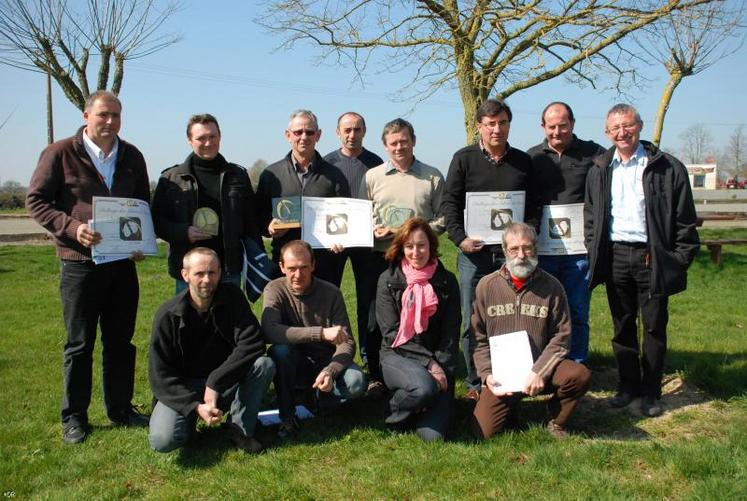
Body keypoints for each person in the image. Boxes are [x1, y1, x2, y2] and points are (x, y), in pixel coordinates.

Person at [26, 90, 150, 444]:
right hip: (79, 264)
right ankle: (75, 417)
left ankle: (121, 409)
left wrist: (139, 243)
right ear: (86, 115)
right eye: (102, 115)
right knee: (80, 344)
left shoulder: (132, 156)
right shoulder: (60, 153)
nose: (109, 122)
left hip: (123, 264)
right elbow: (35, 200)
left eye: (115, 115)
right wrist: (72, 228)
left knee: (120, 341)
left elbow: (142, 204)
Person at [585, 104, 699, 417]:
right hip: (616, 256)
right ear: (607, 132)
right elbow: (592, 216)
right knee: (622, 326)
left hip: (653, 256)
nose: (622, 132)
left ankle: (651, 392)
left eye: (628, 126)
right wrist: (594, 247)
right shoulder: (600, 168)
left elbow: (685, 220)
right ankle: (627, 386)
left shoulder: (667, 167)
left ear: (639, 126)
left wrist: (677, 258)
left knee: (653, 328)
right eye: (615, 128)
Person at [441, 98, 540, 401]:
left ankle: (515, 375)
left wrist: (525, 241)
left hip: (514, 256)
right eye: (490, 124)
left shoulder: (524, 162)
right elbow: (449, 204)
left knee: (515, 316)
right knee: (474, 318)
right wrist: (459, 239)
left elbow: (534, 207)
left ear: (509, 125)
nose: (497, 129)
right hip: (475, 254)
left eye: (503, 123)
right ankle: (475, 383)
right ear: (479, 127)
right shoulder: (463, 159)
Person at [471, 222, 591, 440]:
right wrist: (487, 376)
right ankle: (510, 407)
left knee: (578, 375)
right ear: (505, 251)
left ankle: (555, 419)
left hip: (540, 370)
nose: (521, 255)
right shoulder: (486, 287)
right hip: (503, 376)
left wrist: (539, 371)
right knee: (483, 434)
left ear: (536, 249)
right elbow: (478, 340)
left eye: (527, 248)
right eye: (514, 249)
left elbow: (561, 337)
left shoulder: (553, 287)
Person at [148, 248, 275, 453]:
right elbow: (160, 376)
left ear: (220, 273)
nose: (207, 280)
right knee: (163, 440)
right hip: (185, 387)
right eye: (199, 273)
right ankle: (190, 421)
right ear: (185, 275)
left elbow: (253, 342)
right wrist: (194, 406)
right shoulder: (168, 316)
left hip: (224, 382)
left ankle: (239, 429)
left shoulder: (232, 297)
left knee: (264, 364)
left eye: (212, 273)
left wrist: (215, 381)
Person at [360, 118, 446, 394]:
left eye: (404, 141)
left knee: (424, 314)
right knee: (377, 318)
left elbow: (443, 219)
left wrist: (403, 233)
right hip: (380, 258)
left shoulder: (432, 176)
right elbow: (361, 216)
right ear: (385, 146)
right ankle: (377, 373)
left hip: (420, 261)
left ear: (414, 141)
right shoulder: (372, 177)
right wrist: (371, 228)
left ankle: (425, 365)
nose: (399, 147)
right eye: (393, 143)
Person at [261, 240, 367, 439]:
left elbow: (347, 342)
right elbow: (270, 331)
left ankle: (315, 398)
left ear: (313, 266)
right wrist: (320, 333)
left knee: (356, 382)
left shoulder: (331, 292)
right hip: (294, 362)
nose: (298, 275)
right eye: (292, 268)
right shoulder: (274, 289)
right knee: (280, 351)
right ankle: (287, 416)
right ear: (282, 267)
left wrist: (331, 370)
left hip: (325, 360)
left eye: (303, 267)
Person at [527, 102, 606, 362]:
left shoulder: (594, 154)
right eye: (552, 127)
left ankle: (576, 366)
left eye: (563, 125)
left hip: (579, 250)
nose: (557, 131)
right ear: (543, 127)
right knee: (543, 311)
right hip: (543, 249)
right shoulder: (532, 157)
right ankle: (546, 366)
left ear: (572, 123)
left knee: (577, 310)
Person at [151, 114, 262, 292]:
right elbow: (156, 222)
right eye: (201, 138)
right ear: (189, 140)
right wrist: (183, 232)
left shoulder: (238, 175)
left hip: (228, 269)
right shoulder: (170, 178)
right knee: (191, 320)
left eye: (212, 136)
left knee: (229, 320)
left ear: (220, 136)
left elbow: (251, 221)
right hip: (189, 271)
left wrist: (259, 258)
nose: (208, 143)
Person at [376, 218, 460, 441]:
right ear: (401, 248)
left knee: (433, 437)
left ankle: (417, 403)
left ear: (431, 246)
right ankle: (395, 407)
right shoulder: (387, 280)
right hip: (397, 353)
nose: (416, 252)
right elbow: (392, 333)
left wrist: (441, 368)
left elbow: (451, 334)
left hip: (437, 358)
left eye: (422, 245)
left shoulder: (447, 281)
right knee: (423, 389)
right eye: (409, 246)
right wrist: (429, 364)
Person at [256, 110, 350, 286]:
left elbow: (344, 216)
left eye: (310, 132)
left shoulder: (334, 175)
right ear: (288, 135)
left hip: (324, 264)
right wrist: (268, 226)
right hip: (285, 263)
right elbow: (257, 215)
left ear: (318, 135)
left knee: (323, 313)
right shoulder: (271, 174)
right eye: (298, 132)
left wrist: (339, 238)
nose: (304, 137)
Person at [324, 112, 384, 368]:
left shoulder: (375, 162)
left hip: (367, 242)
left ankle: (371, 357)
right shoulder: (326, 163)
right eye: (347, 130)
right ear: (337, 132)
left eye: (357, 129)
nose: (352, 135)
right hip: (334, 243)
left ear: (364, 131)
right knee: (328, 298)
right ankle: (329, 356)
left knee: (368, 301)